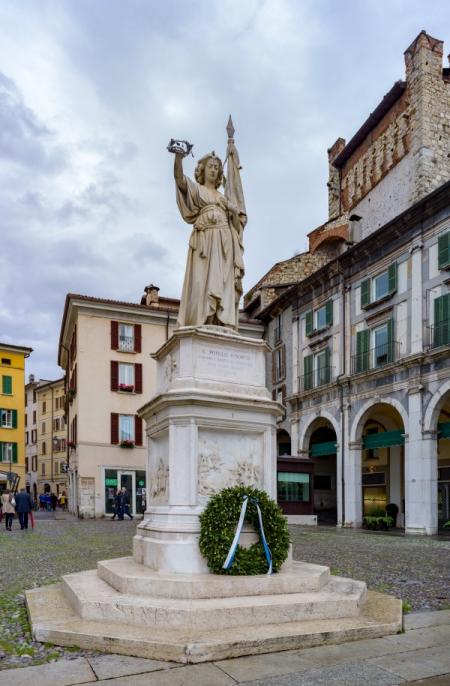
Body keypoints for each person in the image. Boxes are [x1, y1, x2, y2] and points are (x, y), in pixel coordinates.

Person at [173, 149, 246, 329]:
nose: (214, 170)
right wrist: (178, 158)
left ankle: (219, 319)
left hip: (224, 243)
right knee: (200, 282)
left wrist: (232, 209)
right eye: (210, 167)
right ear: (202, 170)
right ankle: (201, 318)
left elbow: (237, 225)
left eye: (217, 167)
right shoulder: (198, 190)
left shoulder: (224, 197)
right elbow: (180, 180)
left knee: (222, 281)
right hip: (204, 240)